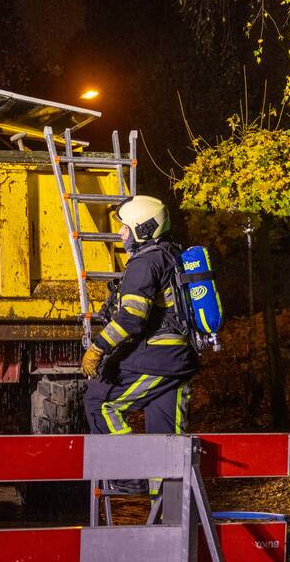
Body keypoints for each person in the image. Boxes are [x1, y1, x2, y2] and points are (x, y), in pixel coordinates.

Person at [81, 196, 199, 494]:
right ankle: (167, 515)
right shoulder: (171, 253)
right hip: (180, 360)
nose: (120, 233)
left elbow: (131, 318)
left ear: (142, 230)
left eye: (125, 228)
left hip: (158, 358)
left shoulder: (145, 262)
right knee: (167, 444)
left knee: (100, 402)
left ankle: (128, 474)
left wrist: (97, 349)